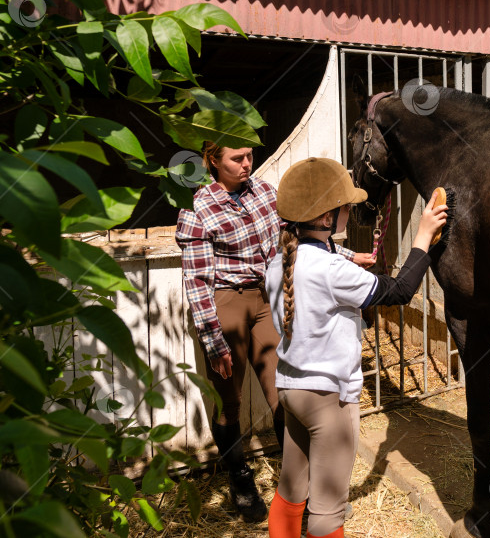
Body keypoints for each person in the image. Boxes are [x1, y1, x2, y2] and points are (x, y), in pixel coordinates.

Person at [175, 144, 374, 522]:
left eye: (249, 155)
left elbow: (295, 238)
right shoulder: (199, 208)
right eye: (237, 158)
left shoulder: (266, 193)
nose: (247, 163)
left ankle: (299, 486)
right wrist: (214, 340)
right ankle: (240, 478)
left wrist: (347, 257)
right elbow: (197, 280)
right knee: (229, 399)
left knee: (280, 390)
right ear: (213, 160)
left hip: (268, 296)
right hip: (226, 301)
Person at [265, 157, 448, 538]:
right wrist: (423, 236)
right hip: (328, 399)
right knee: (328, 513)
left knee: (291, 489)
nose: (351, 211)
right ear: (326, 217)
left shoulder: (281, 259)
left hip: (290, 390)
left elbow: (328, 266)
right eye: (346, 206)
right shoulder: (332, 270)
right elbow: (399, 291)